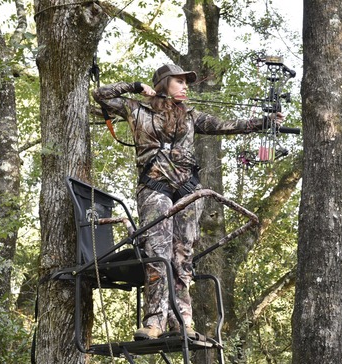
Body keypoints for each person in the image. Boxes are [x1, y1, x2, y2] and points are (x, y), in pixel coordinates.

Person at [92, 63, 283, 340]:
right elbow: (100, 94)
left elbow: (225, 126)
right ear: (163, 84)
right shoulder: (136, 108)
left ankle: (182, 322)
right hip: (154, 188)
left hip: (187, 191)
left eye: (186, 83)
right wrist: (134, 86)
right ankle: (154, 322)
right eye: (179, 81)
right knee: (158, 252)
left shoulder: (191, 115)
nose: (185, 87)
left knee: (183, 258)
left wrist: (264, 122)